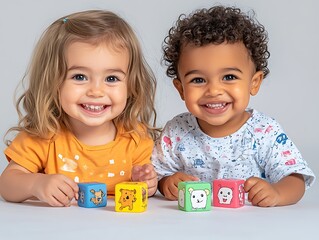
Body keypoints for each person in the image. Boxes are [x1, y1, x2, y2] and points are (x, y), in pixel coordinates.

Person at [152, 5, 315, 207]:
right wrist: (166, 182)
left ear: (254, 83)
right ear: (181, 89)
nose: (213, 90)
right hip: (192, 227)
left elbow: (295, 178)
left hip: (249, 226)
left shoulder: (264, 131)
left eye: (229, 77)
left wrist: (277, 193)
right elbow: (156, 174)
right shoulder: (176, 131)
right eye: (198, 80)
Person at [0, 10, 159, 207]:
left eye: (111, 78)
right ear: (52, 81)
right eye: (79, 77)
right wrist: (36, 184)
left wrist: (148, 183)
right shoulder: (44, 137)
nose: (96, 91)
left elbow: (146, 190)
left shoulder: (135, 139)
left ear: (132, 85)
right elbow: (6, 184)